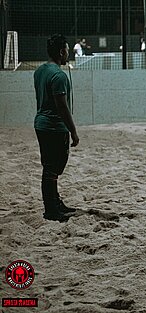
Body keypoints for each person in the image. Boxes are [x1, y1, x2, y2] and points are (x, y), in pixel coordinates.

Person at [34, 34, 79, 222]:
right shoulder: (59, 76)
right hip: (54, 127)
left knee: (49, 168)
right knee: (52, 170)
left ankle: (55, 203)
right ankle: (51, 210)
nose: (69, 52)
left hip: (41, 124)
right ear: (61, 52)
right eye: (67, 49)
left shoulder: (40, 71)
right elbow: (62, 107)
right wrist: (73, 131)